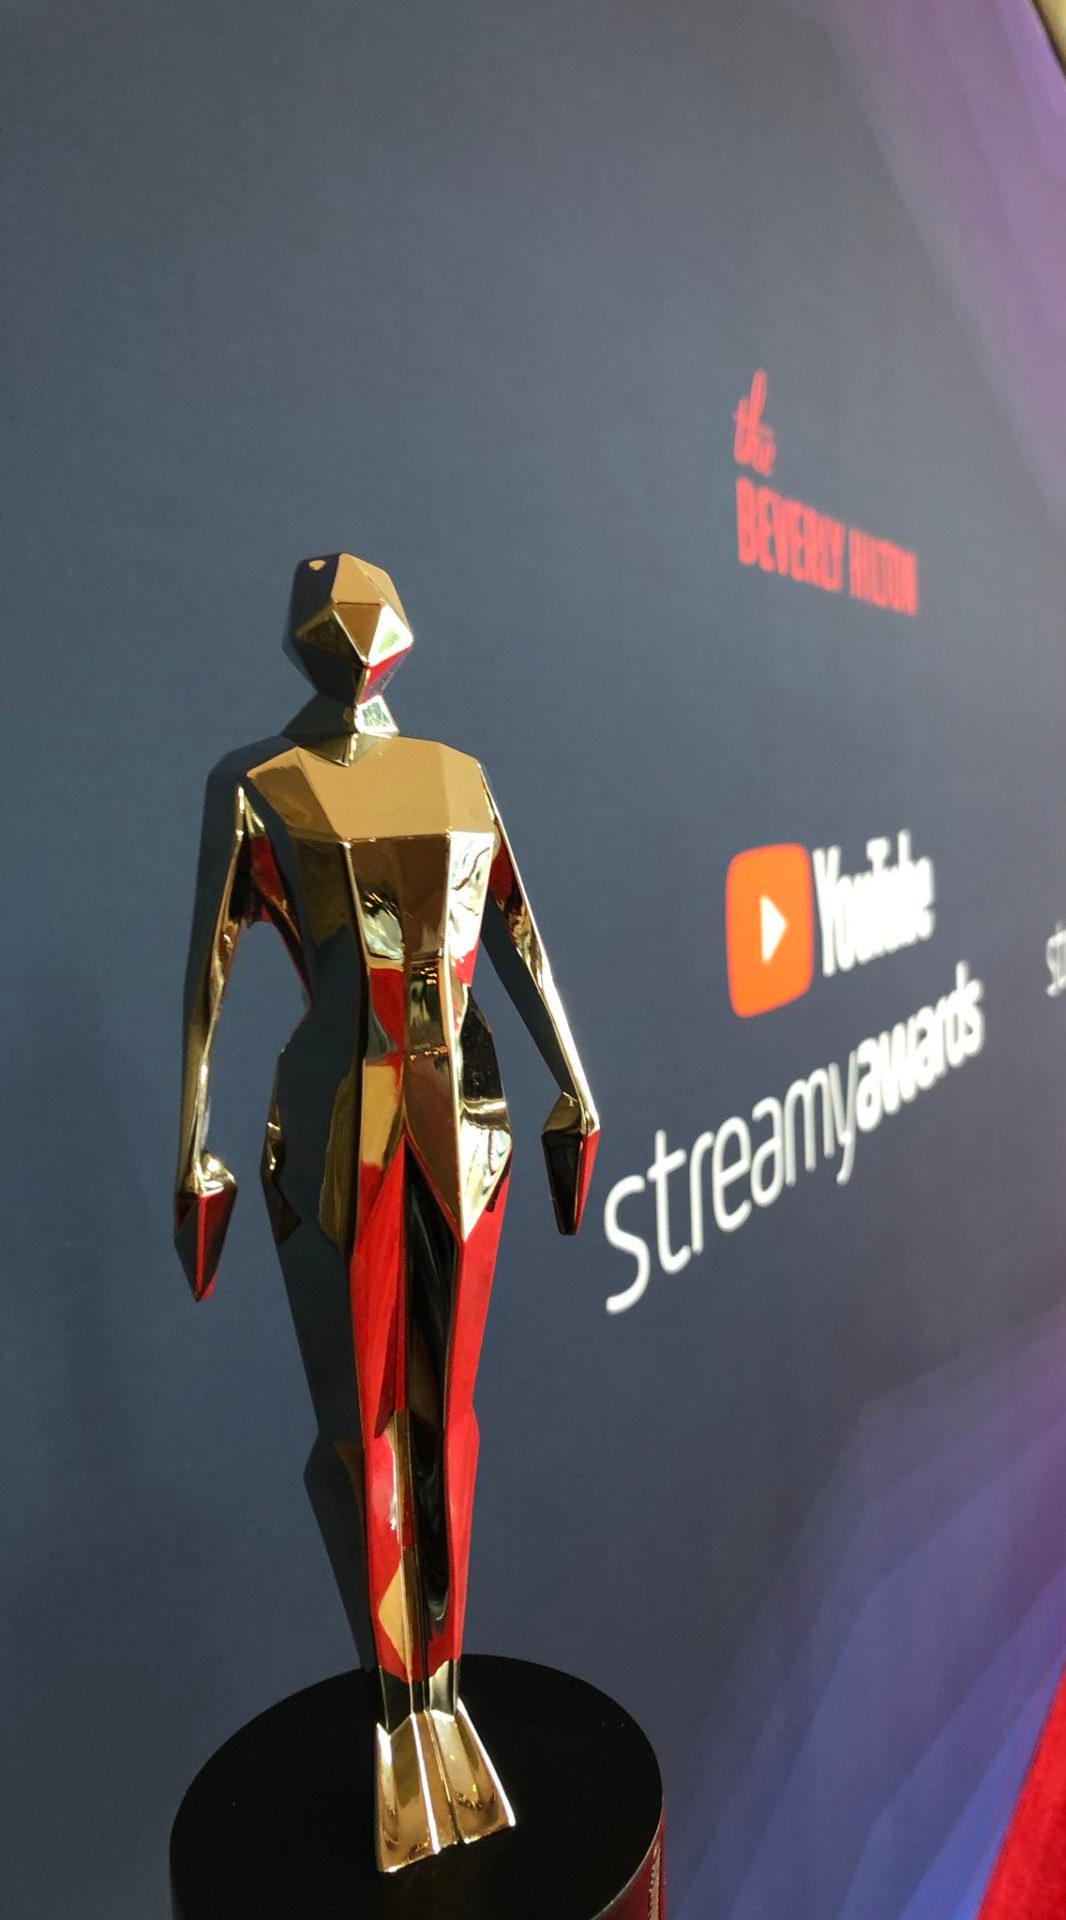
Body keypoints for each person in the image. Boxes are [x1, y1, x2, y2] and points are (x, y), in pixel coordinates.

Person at [174, 554, 599, 1871]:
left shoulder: (461, 777)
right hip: (336, 1117)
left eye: (369, 608)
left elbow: (520, 937)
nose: (355, 624)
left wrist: (575, 1089)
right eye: (336, 609)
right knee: (361, 1422)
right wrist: (192, 1148)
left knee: (446, 1412)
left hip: (461, 1115)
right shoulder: (262, 784)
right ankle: (393, 1715)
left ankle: (444, 1698)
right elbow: (212, 973)